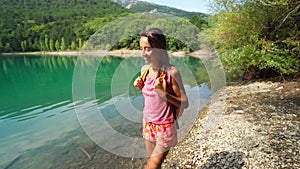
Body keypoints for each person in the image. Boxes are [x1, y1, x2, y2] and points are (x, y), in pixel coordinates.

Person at [134, 28, 189, 169]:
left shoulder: (172, 72)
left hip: (165, 128)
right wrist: (141, 86)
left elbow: (185, 103)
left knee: (150, 167)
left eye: (148, 49)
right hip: (148, 124)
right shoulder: (144, 71)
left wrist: (164, 94)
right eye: (141, 49)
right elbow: (152, 99)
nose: (143, 54)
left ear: (159, 49)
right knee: (155, 166)